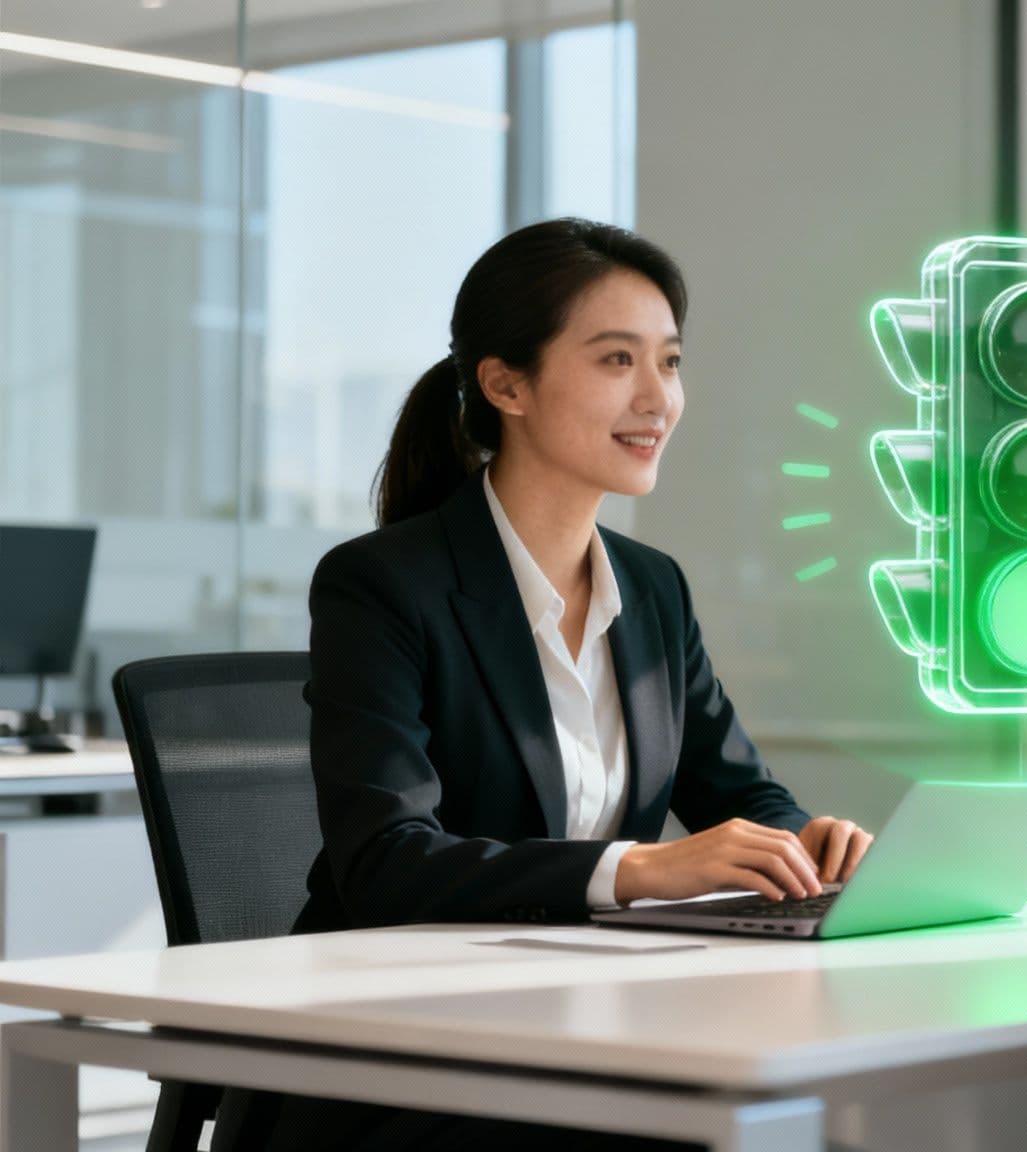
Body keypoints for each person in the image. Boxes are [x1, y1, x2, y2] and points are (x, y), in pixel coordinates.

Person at [230, 218, 871, 1151]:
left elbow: (738, 791)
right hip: (402, 1058)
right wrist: (637, 869)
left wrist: (801, 846)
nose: (659, 399)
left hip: (593, 1026)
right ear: (506, 384)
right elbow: (387, 863)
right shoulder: (384, 585)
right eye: (618, 360)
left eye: (671, 362)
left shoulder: (652, 590)